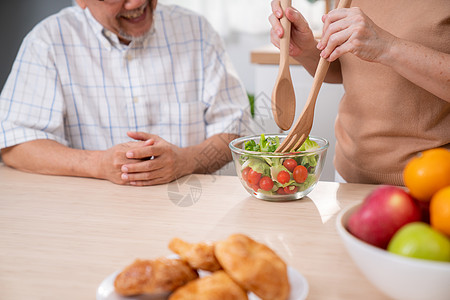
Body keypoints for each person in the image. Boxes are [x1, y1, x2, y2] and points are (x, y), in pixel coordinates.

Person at [0, 0, 252, 186]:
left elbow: (235, 131)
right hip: (86, 217)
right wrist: (98, 164)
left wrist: (186, 160)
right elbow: (15, 144)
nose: (138, 3)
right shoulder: (48, 41)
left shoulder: (197, 30)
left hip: (189, 208)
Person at [269, 0, 450, 185]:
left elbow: (379, 48)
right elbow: (346, 71)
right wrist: (305, 50)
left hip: (431, 180)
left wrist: (387, 47)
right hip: (348, 176)